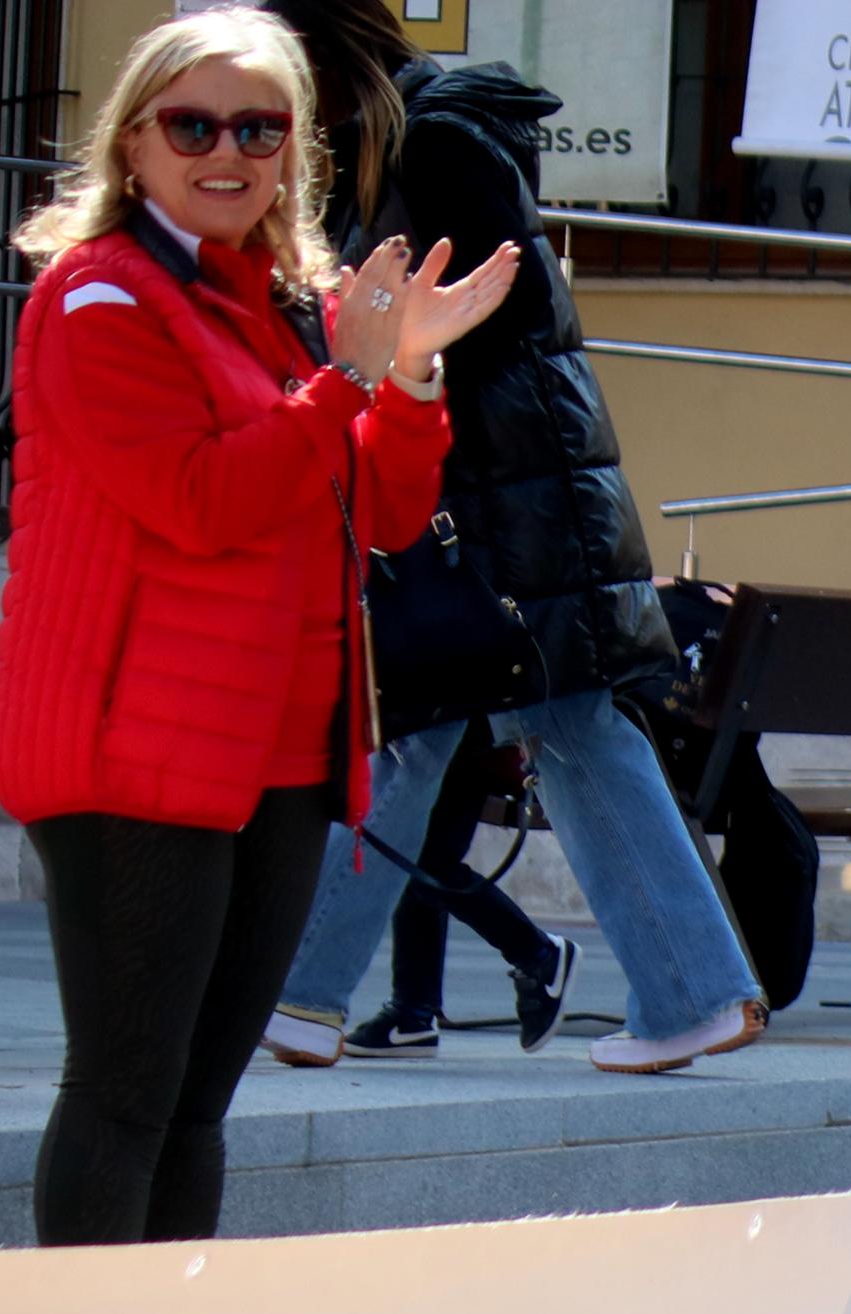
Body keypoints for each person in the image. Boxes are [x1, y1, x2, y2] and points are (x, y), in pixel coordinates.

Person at [0, 10, 512, 1245]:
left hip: (280, 750)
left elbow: (383, 513)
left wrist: (412, 377)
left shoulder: (296, 302)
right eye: (192, 125)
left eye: (259, 129)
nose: (225, 152)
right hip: (140, 754)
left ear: (294, 153)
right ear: (132, 144)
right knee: (126, 1095)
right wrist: (346, 374)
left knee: (199, 1108)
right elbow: (199, 499)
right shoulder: (95, 300)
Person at [254, 0, 764, 1077]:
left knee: (538, 726)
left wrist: (367, 332)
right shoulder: (409, 138)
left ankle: (694, 991)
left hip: (502, 508)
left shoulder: (433, 140)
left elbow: (493, 303)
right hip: (505, 502)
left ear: (324, 65)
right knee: (436, 729)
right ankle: (300, 994)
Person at [341, 718, 579, 1055]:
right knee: (422, 853)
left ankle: (538, 955)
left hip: (462, 701)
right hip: (460, 701)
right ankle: (414, 1010)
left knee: (425, 859)